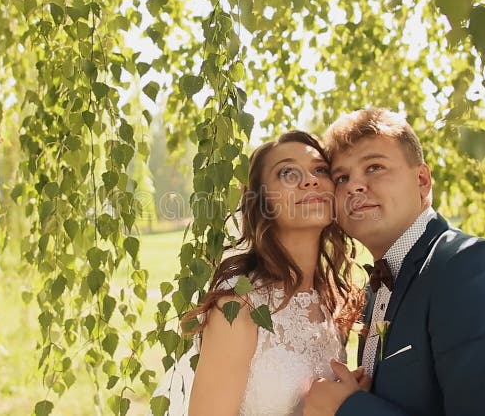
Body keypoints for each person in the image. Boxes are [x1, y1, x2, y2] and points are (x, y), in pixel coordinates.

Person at [304, 108, 485, 416]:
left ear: (422, 181)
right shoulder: (376, 293)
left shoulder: (476, 270)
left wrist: (347, 409)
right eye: (342, 177)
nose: (354, 186)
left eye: (374, 167)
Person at [152, 130, 363, 415]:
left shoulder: (332, 299)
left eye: (320, 169)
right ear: (263, 201)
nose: (310, 180)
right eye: (288, 173)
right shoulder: (240, 306)